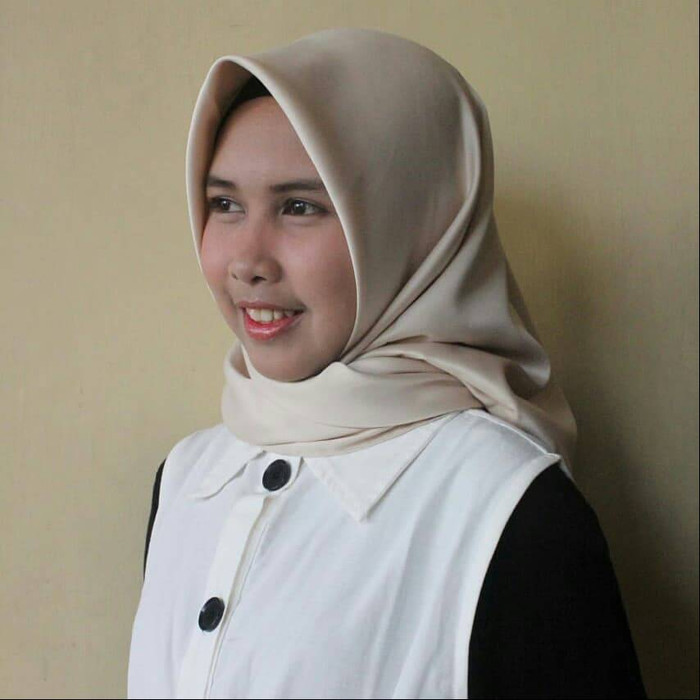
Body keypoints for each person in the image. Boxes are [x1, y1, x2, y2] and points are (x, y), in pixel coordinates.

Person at [128, 28, 647, 698]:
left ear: (411, 226)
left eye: (299, 207)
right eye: (224, 203)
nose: (247, 261)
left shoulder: (509, 510)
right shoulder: (186, 481)